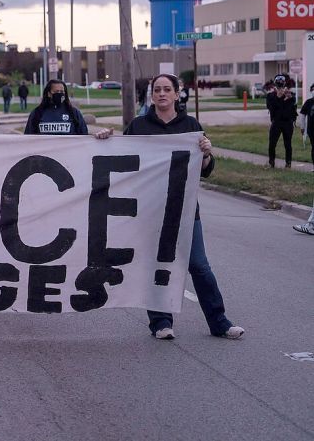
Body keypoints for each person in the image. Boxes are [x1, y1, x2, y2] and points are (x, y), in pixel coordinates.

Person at [124, 73, 245, 341]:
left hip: (186, 210)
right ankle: (160, 322)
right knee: (157, 266)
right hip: (151, 210)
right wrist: (103, 139)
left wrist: (206, 154)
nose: (162, 94)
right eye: (157, 89)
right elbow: (120, 160)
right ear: (151, 95)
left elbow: (205, 170)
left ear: (177, 94)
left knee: (199, 266)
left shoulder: (190, 126)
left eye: (167, 89)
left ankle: (220, 322)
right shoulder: (138, 126)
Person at [24, 79, 89, 136]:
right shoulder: (37, 113)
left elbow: (84, 135)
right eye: (56, 92)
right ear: (49, 94)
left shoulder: (74, 113)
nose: (59, 94)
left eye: (62, 92)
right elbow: (28, 137)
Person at [265, 74, 297, 169]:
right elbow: (270, 107)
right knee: (272, 143)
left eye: (282, 82)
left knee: (288, 144)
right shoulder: (270, 95)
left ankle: (288, 163)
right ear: (275, 83)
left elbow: (293, 105)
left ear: (284, 83)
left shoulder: (290, 94)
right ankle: (271, 162)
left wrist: (289, 97)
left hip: (287, 122)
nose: (280, 84)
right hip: (276, 122)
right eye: (278, 82)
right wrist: (278, 97)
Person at [299, 83, 314, 168]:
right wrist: (302, 127)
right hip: (311, 130)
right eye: (313, 89)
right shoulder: (308, 102)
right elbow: (302, 114)